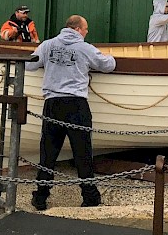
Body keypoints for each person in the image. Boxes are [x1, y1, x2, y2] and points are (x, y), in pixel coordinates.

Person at [26, 15, 116, 210]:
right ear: (78, 29)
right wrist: (111, 57)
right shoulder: (85, 48)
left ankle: (41, 197)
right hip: (76, 104)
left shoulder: (48, 45)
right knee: (82, 154)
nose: (86, 32)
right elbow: (108, 65)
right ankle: (90, 197)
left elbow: (29, 64)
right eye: (85, 29)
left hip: (52, 104)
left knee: (48, 154)